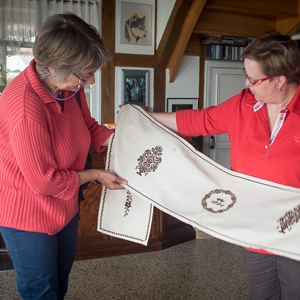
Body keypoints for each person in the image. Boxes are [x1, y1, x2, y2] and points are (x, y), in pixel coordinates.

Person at [149, 32, 300, 300]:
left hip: (297, 234)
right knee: (261, 294)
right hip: (255, 231)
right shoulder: (243, 104)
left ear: (280, 79)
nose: (246, 83)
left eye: (253, 79)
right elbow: (195, 121)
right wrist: (143, 117)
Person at [0, 12, 127, 300]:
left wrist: (129, 139)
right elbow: (45, 182)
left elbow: (90, 129)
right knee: (41, 292)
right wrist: (95, 175)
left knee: (61, 283)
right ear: (56, 66)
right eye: (84, 74)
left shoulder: (69, 90)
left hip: (65, 205)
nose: (91, 81)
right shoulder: (24, 107)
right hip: (27, 213)